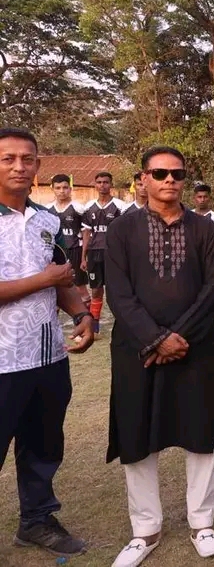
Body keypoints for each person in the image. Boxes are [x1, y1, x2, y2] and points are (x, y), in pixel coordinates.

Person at [105, 147, 214, 567]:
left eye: (177, 173)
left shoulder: (205, 229)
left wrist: (177, 337)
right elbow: (119, 293)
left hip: (194, 349)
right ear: (143, 178)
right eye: (159, 173)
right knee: (137, 433)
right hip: (137, 350)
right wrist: (155, 339)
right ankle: (145, 528)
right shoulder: (121, 229)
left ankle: (202, 522)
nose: (169, 180)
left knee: (200, 431)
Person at [0, 127, 95, 558]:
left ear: (38, 166)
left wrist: (81, 315)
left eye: (28, 159)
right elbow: (49, 277)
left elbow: (62, 280)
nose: (19, 167)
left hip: (46, 356)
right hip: (2, 361)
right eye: (8, 159)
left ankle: (36, 521)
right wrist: (44, 280)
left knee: (42, 446)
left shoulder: (47, 220)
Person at [81, 171, 129, 328]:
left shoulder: (120, 206)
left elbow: (125, 233)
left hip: (113, 253)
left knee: (115, 290)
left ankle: (122, 323)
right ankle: (94, 325)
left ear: (111, 184)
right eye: (99, 182)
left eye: (106, 182)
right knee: (95, 290)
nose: (102, 185)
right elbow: (86, 233)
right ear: (95, 185)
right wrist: (83, 257)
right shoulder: (89, 207)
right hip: (94, 253)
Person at [46, 174, 89, 305]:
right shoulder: (47, 210)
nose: (62, 191)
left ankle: (88, 316)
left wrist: (83, 258)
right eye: (58, 188)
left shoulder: (78, 208)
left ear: (70, 189)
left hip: (75, 250)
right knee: (55, 287)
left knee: (80, 287)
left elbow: (86, 233)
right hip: (56, 252)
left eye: (65, 187)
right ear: (52, 189)